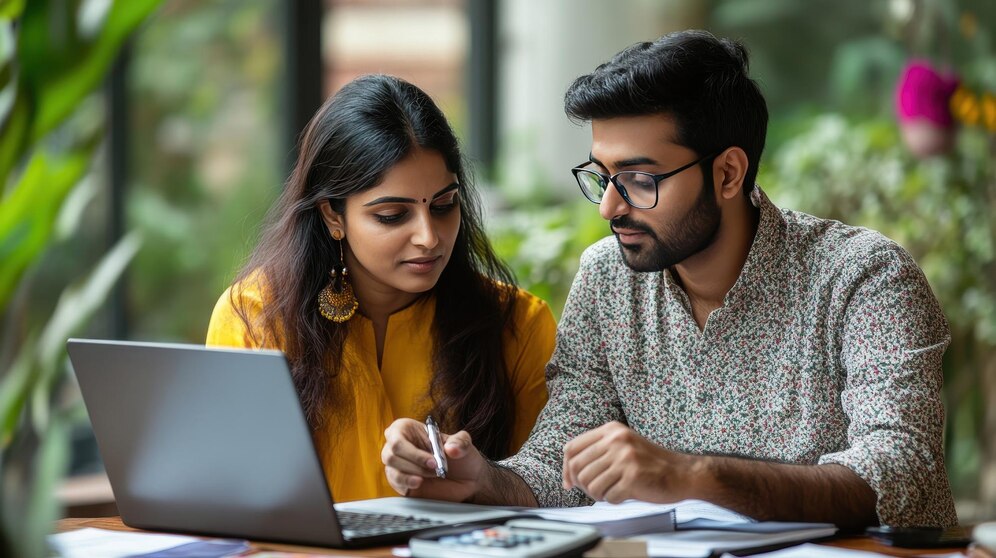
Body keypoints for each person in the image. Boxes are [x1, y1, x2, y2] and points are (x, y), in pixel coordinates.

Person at [381, 30, 958, 529]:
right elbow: (562, 470)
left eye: (637, 178)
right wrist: (482, 479)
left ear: (728, 173)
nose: (609, 207)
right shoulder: (608, 280)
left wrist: (690, 477)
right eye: (602, 176)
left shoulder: (862, 277)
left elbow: (900, 474)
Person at [206, 74, 556, 502]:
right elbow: (230, 496)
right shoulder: (256, 316)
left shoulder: (517, 324)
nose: (429, 236)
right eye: (392, 215)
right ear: (333, 215)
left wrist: (483, 478)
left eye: (444, 206)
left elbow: (556, 495)